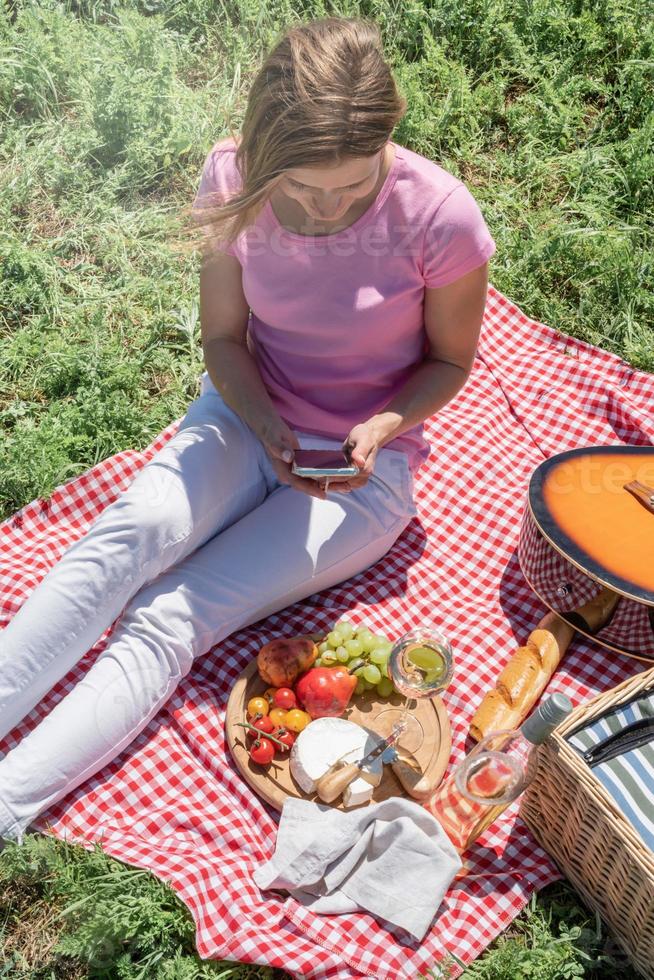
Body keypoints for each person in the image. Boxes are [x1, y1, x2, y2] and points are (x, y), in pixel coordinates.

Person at [0, 15, 495, 845]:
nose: (326, 207)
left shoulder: (441, 217)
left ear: (389, 138)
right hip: (245, 415)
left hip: (362, 472)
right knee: (130, 535)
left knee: (175, 614)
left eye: (350, 186)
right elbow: (225, 339)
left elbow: (450, 363)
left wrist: (380, 423)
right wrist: (265, 425)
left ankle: (9, 804)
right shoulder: (231, 180)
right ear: (265, 156)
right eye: (302, 188)